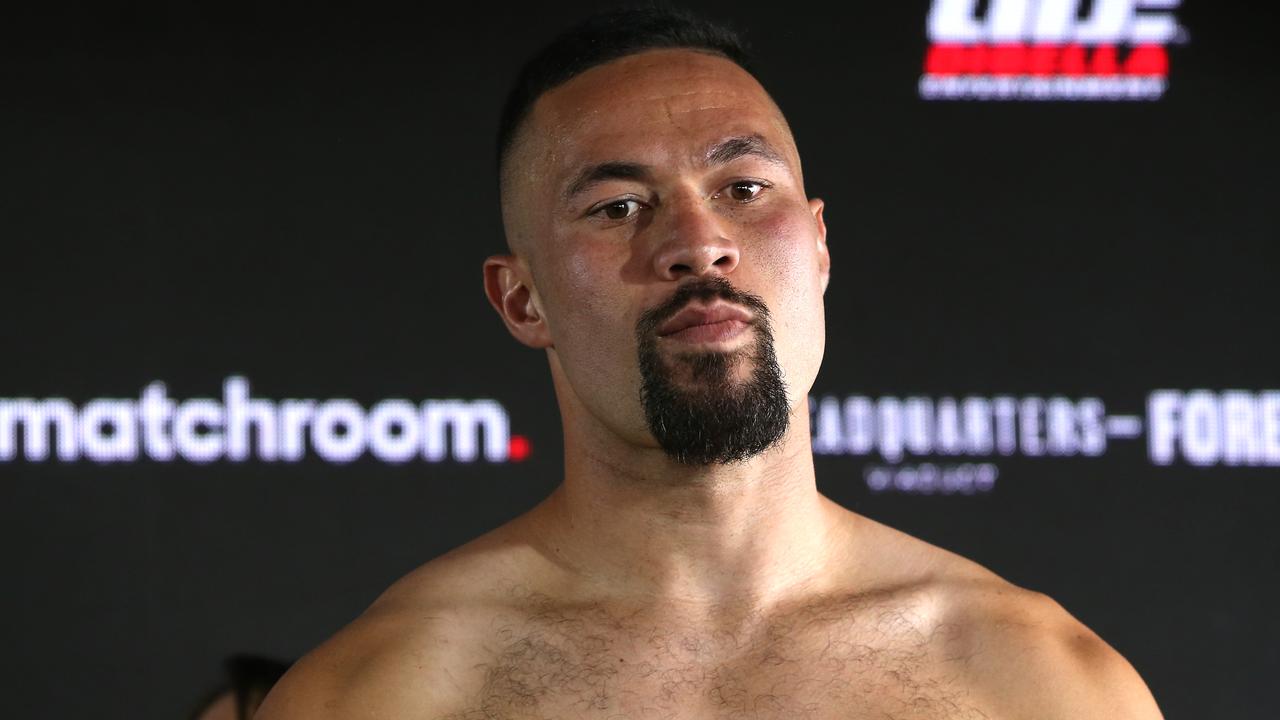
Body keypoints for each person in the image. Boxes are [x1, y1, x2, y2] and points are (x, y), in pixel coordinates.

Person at [257, 7, 1163, 718]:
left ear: (816, 248)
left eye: (742, 189)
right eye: (617, 206)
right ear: (521, 300)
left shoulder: (1044, 683)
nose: (698, 243)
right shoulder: (380, 695)